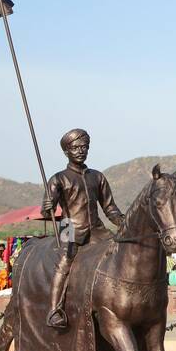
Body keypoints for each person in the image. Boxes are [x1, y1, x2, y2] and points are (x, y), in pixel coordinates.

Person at [42, 128, 127, 330]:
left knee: (118, 252)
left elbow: (110, 208)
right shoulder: (58, 179)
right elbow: (48, 213)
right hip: (68, 227)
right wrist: (47, 209)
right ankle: (54, 310)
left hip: (96, 228)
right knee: (65, 261)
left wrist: (124, 222)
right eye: (75, 147)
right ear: (66, 151)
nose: (81, 151)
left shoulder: (97, 177)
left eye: (84, 147)